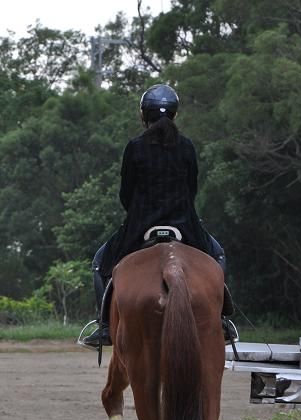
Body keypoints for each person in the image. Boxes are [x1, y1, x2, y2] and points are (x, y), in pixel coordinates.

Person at [81, 84, 236, 348]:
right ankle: (220, 321)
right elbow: (192, 189)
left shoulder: (134, 147)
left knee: (99, 263)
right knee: (218, 255)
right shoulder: (186, 147)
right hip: (185, 226)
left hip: (140, 226)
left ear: (144, 115)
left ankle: (105, 326)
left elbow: (126, 193)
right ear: (174, 115)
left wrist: (139, 212)